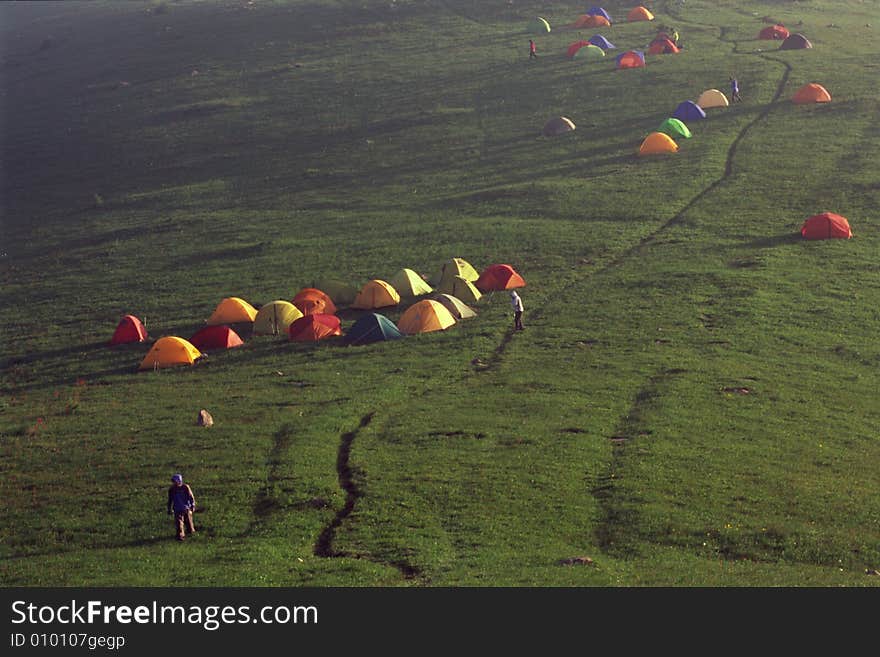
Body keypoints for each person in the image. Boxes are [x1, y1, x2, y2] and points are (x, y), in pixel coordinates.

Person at [167, 473, 196, 541]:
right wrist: (169, 508)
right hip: (177, 509)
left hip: (186, 508)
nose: (174, 483)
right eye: (173, 481)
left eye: (175, 481)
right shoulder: (172, 490)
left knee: (189, 522)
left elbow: (191, 497)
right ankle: (180, 536)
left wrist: (192, 506)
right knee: (179, 523)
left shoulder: (185, 487)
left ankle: (191, 532)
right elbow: (170, 500)